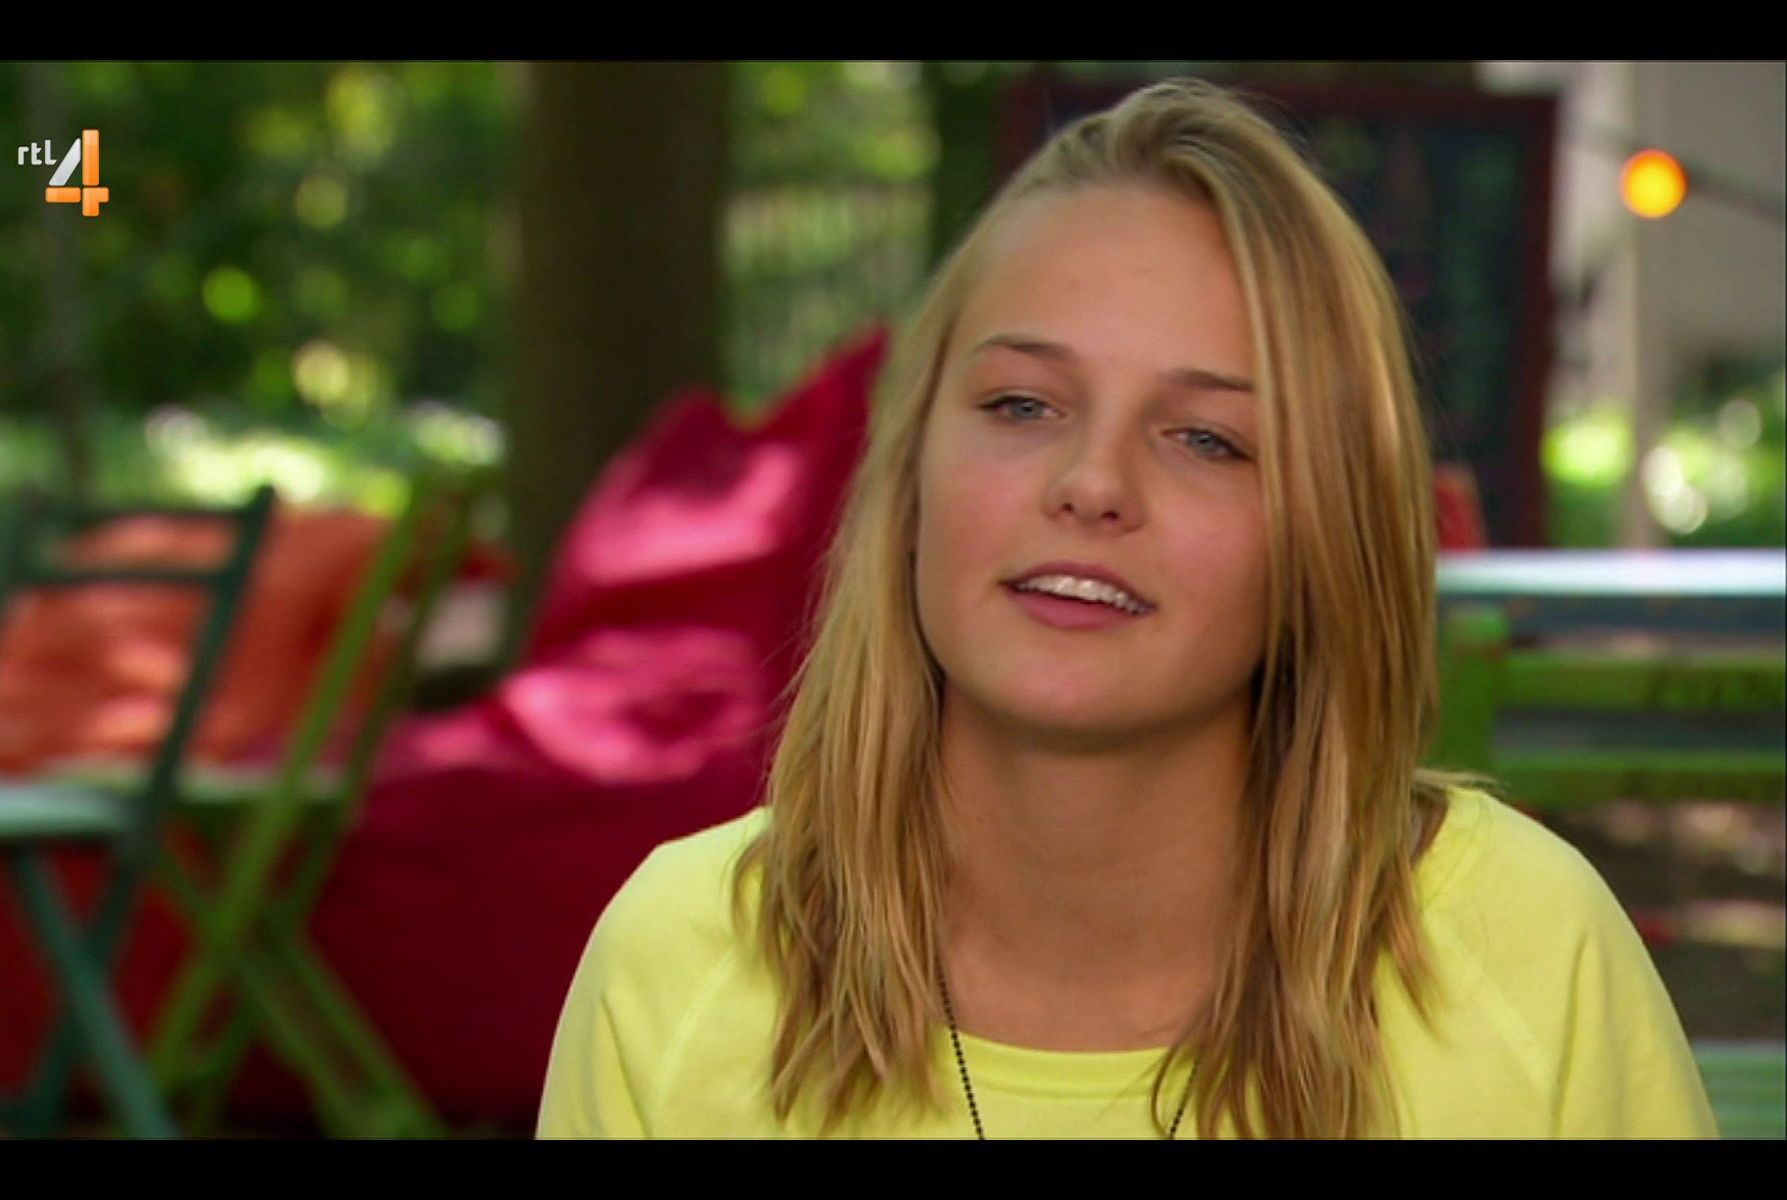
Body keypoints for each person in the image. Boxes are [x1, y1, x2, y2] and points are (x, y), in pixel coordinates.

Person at [535, 78, 1718, 1139]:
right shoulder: (681, 961)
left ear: (1324, 540)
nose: (1092, 483)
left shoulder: (1527, 949)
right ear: (909, 481)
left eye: (1206, 437)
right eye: (1022, 405)